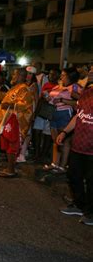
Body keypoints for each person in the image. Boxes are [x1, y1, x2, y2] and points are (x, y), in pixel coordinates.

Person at [57, 70, 93, 226]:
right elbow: (79, 115)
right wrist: (65, 132)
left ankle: (91, 213)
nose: (90, 74)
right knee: (73, 175)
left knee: (92, 181)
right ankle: (80, 205)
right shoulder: (87, 92)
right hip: (79, 144)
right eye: (90, 72)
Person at [0, 68, 35, 177]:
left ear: (21, 76)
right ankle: (9, 168)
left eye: (15, 74)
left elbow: (26, 104)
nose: (13, 76)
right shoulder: (16, 88)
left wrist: (10, 105)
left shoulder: (24, 89)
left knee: (12, 144)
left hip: (15, 121)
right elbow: (7, 98)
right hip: (8, 119)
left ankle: (11, 170)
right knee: (8, 144)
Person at [43, 67, 81, 173]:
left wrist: (63, 100)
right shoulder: (59, 86)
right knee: (56, 141)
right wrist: (48, 97)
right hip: (53, 114)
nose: (61, 77)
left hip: (64, 114)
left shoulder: (74, 87)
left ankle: (62, 166)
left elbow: (81, 101)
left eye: (63, 75)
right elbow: (52, 98)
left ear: (70, 76)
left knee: (64, 141)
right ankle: (54, 163)